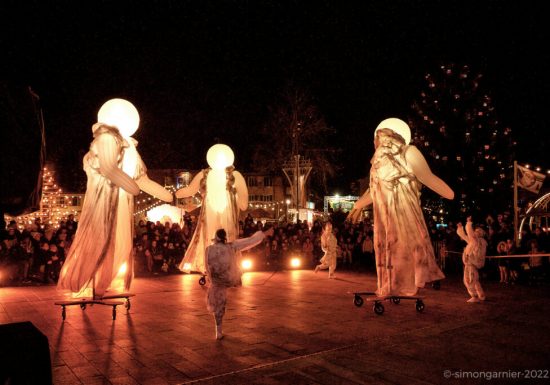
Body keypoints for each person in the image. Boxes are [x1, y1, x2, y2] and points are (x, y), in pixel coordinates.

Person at [57, 99, 172, 297]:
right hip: (104, 200)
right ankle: (89, 282)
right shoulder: (106, 139)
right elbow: (109, 168)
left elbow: (142, 179)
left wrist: (167, 195)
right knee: (101, 238)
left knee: (118, 242)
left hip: (122, 203)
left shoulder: (130, 148)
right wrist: (132, 186)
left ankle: (103, 283)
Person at [347, 118, 454, 296]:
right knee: (394, 248)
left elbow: (426, 176)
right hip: (388, 214)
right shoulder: (384, 158)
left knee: (399, 248)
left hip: (401, 213)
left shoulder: (406, 153)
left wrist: (448, 192)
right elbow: (373, 191)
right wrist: (357, 204)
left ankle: (399, 284)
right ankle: (391, 284)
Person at [176, 144, 248, 275]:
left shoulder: (234, 175)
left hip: (227, 212)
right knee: (210, 238)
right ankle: (211, 266)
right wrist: (179, 193)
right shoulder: (204, 174)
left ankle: (228, 266)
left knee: (227, 237)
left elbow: (243, 195)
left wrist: (243, 202)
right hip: (209, 211)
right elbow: (191, 189)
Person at [206, 226, 274, 340]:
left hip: (217, 281)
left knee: (217, 305)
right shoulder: (231, 246)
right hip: (225, 279)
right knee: (220, 305)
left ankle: (218, 331)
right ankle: (219, 332)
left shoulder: (209, 249)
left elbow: (207, 266)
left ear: (216, 237)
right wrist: (264, 233)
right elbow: (249, 241)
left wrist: (210, 278)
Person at [457, 216, 487, 303]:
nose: (476, 232)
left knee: (469, 280)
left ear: (481, 234)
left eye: (478, 231)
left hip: (472, 263)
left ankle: (474, 296)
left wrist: (469, 223)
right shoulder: (474, 241)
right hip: (470, 263)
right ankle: (481, 295)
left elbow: (470, 234)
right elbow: (465, 236)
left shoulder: (478, 241)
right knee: (474, 280)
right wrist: (460, 228)